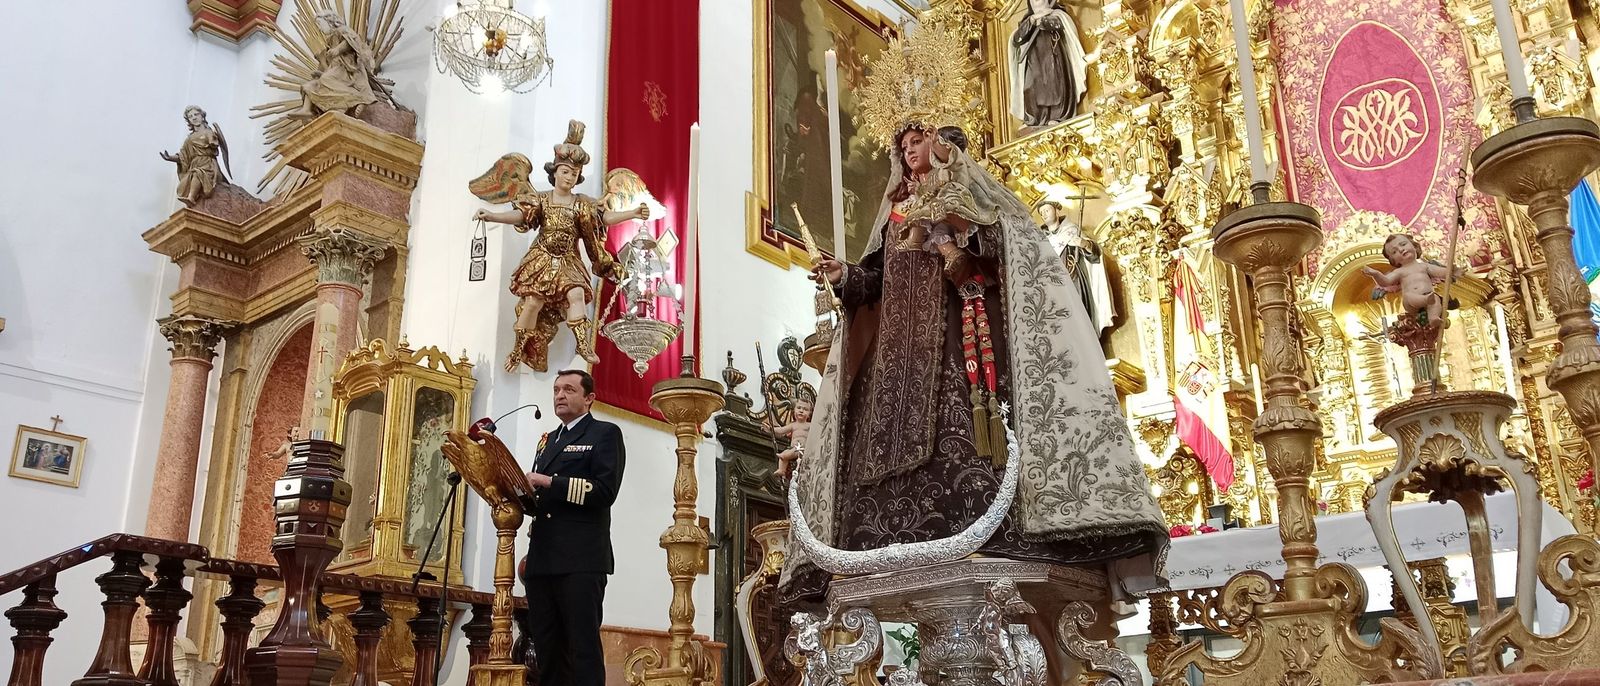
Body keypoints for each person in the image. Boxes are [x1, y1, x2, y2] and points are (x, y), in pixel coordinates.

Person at [782, 119, 1166, 606]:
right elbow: (873, 283)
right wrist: (844, 274)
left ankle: (987, 532)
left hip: (954, 343)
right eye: (902, 146)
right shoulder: (896, 214)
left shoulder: (966, 194)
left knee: (963, 432)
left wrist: (953, 234)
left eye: (916, 141)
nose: (909, 151)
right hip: (895, 363)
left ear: (939, 145)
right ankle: (888, 541)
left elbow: (1002, 253)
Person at [472, 121, 650, 372]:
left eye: (574, 174)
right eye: (565, 171)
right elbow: (521, 216)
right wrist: (491, 215)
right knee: (532, 301)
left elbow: (603, 218)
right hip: (542, 255)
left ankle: (582, 343)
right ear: (555, 171)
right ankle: (518, 348)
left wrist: (632, 213)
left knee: (576, 294)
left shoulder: (582, 204)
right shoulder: (541, 199)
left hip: (568, 258)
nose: (569, 177)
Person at [520, 369, 625, 686]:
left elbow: (605, 491)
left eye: (568, 389)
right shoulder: (548, 441)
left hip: (580, 559)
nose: (560, 395)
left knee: (582, 650)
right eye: (555, 390)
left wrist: (550, 482)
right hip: (543, 558)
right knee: (548, 650)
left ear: (589, 398)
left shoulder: (604, 434)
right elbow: (539, 497)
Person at [1038, 199, 1116, 335]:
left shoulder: (1072, 231)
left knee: (1081, 319)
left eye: (1047, 210)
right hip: (1055, 288)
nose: (1044, 214)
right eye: (1041, 212)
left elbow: (1094, 255)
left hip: (1075, 283)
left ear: (1057, 211)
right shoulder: (1041, 241)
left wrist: (1084, 244)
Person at [1010, 0, 1088, 126]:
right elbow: (1017, 39)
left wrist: (1045, 19)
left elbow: (1059, 25)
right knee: (1031, 88)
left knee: (1055, 84)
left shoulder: (1057, 14)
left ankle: (1057, 115)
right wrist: (1033, 19)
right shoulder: (1028, 20)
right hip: (1034, 61)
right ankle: (1035, 118)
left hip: (1053, 56)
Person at [1364, 234, 1453, 328]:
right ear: (1393, 260)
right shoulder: (1399, 272)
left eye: (1403, 244)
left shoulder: (1424, 266)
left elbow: (1442, 272)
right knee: (1409, 296)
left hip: (1429, 295)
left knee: (1436, 299)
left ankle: (1433, 318)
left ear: (1414, 246)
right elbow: (1385, 282)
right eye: (1394, 252)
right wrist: (1375, 274)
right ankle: (1426, 300)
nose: (1401, 250)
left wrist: (1453, 271)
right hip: (1411, 302)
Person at [161, 106, 230, 206]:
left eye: (196, 114)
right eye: (190, 116)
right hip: (195, 164)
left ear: (202, 116)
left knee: (198, 173)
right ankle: (192, 197)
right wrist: (169, 158)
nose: (194, 117)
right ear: (189, 121)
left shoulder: (209, 132)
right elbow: (183, 156)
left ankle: (191, 198)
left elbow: (215, 143)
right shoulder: (189, 139)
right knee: (193, 174)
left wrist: (214, 141)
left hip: (208, 164)